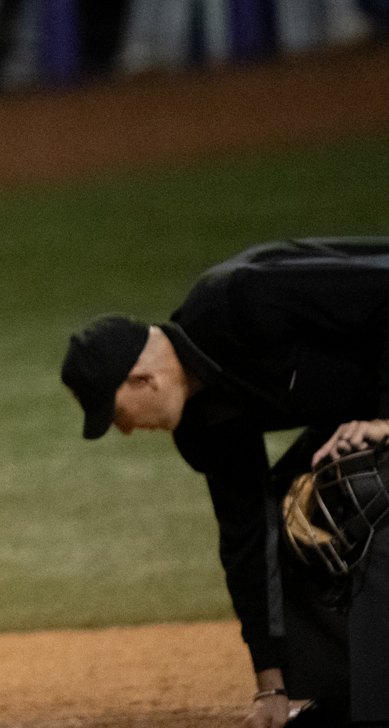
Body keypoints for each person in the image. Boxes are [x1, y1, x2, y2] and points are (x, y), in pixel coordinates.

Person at [61, 239, 389, 728]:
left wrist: (386, 420)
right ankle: (347, 694)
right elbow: (247, 537)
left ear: (143, 380)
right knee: (300, 514)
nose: (124, 429)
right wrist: (270, 686)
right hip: (369, 408)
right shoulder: (203, 423)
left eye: (116, 414)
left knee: (369, 505)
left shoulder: (240, 301)